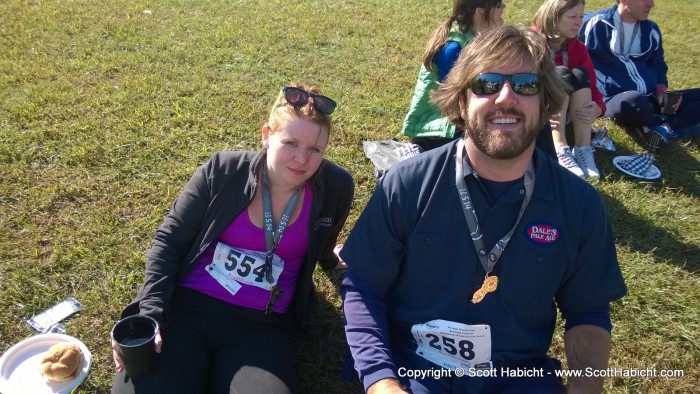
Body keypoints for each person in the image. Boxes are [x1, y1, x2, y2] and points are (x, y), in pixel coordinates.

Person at [340, 25, 626, 394]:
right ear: (462, 103)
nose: (505, 98)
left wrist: (585, 389)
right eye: (487, 84)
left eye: (526, 84)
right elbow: (363, 288)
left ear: (545, 106)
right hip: (415, 368)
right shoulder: (405, 184)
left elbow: (587, 311)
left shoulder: (581, 205)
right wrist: (382, 381)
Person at [110, 84, 354, 394]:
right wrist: (151, 314)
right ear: (266, 135)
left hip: (261, 327)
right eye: (291, 142)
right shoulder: (222, 170)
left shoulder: (335, 187)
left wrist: (331, 259)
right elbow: (170, 240)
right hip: (188, 309)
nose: (302, 160)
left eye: (315, 149)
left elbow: (324, 237)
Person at [579, 0, 700, 151]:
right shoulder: (595, 24)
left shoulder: (651, 29)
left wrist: (662, 92)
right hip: (616, 98)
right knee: (634, 100)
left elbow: (658, 65)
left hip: (651, 97)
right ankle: (676, 125)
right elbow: (563, 36)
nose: (651, 5)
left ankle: (664, 128)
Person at [401, 0, 506, 151]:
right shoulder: (453, 48)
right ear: (480, 11)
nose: (504, 7)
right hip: (437, 127)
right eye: (498, 4)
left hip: (457, 119)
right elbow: (453, 100)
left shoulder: (476, 40)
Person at [533, 0, 605, 179]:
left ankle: (583, 149)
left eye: (581, 16)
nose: (579, 22)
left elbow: (592, 85)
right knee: (561, 73)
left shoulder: (578, 48)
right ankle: (560, 149)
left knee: (581, 73)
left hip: (567, 117)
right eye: (572, 16)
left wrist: (598, 107)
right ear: (553, 18)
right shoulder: (533, 43)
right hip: (541, 118)